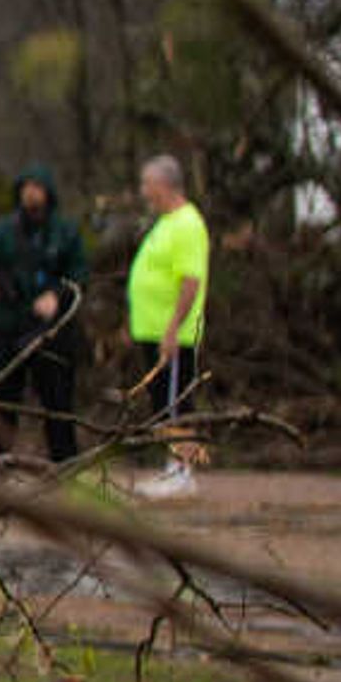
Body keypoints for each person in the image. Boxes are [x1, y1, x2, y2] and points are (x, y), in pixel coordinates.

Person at [0, 165, 87, 466]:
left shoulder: (64, 232)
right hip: (9, 323)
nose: (31, 194)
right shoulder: (3, 231)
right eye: (26, 187)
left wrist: (57, 296)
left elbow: (80, 274)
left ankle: (66, 467)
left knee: (57, 402)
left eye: (37, 187)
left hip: (52, 331)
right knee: (0, 399)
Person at [125, 153, 211, 496]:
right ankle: (172, 467)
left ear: (165, 185)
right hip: (152, 330)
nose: (145, 191)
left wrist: (173, 327)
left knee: (177, 403)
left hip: (173, 335)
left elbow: (191, 280)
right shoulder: (166, 222)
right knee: (162, 403)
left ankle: (181, 471)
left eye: (148, 184)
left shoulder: (188, 224)